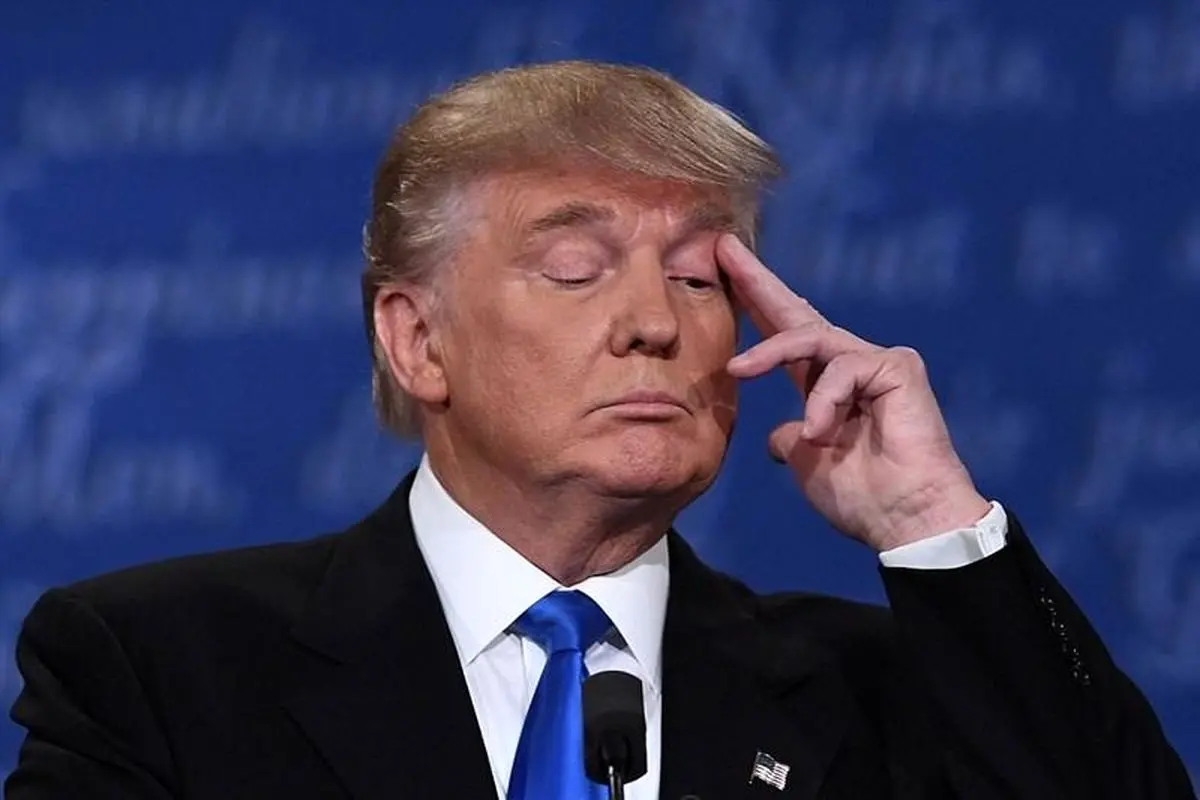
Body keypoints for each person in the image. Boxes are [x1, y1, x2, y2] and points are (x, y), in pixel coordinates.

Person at [4, 60, 1193, 800]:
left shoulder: (877, 690)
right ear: (417, 340)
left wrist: (935, 522)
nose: (654, 323)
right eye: (576, 269)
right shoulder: (160, 670)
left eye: (698, 277)